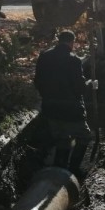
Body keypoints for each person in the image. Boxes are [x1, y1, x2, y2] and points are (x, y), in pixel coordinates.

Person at [33, 30, 96, 177]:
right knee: (84, 137)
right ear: (71, 42)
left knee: (62, 138)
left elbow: (38, 81)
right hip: (71, 109)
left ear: (58, 40)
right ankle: (73, 169)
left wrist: (47, 96)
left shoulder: (44, 56)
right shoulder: (73, 60)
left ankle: (59, 166)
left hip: (50, 107)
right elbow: (79, 88)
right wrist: (90, 84)